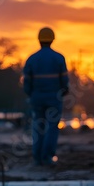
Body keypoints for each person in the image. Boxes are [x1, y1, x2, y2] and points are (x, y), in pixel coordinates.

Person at [23, 27, 69, 166]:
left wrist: (31, 94)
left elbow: (27, 82)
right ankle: (48, 156)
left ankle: (37, 157)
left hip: (37, 98)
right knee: (52, 127)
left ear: (39, 40)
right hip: (54, 98)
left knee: (38, 126)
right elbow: (65, 82)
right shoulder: (59, 58)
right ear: (52, 39)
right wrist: (63, 92)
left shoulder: (32, 59)